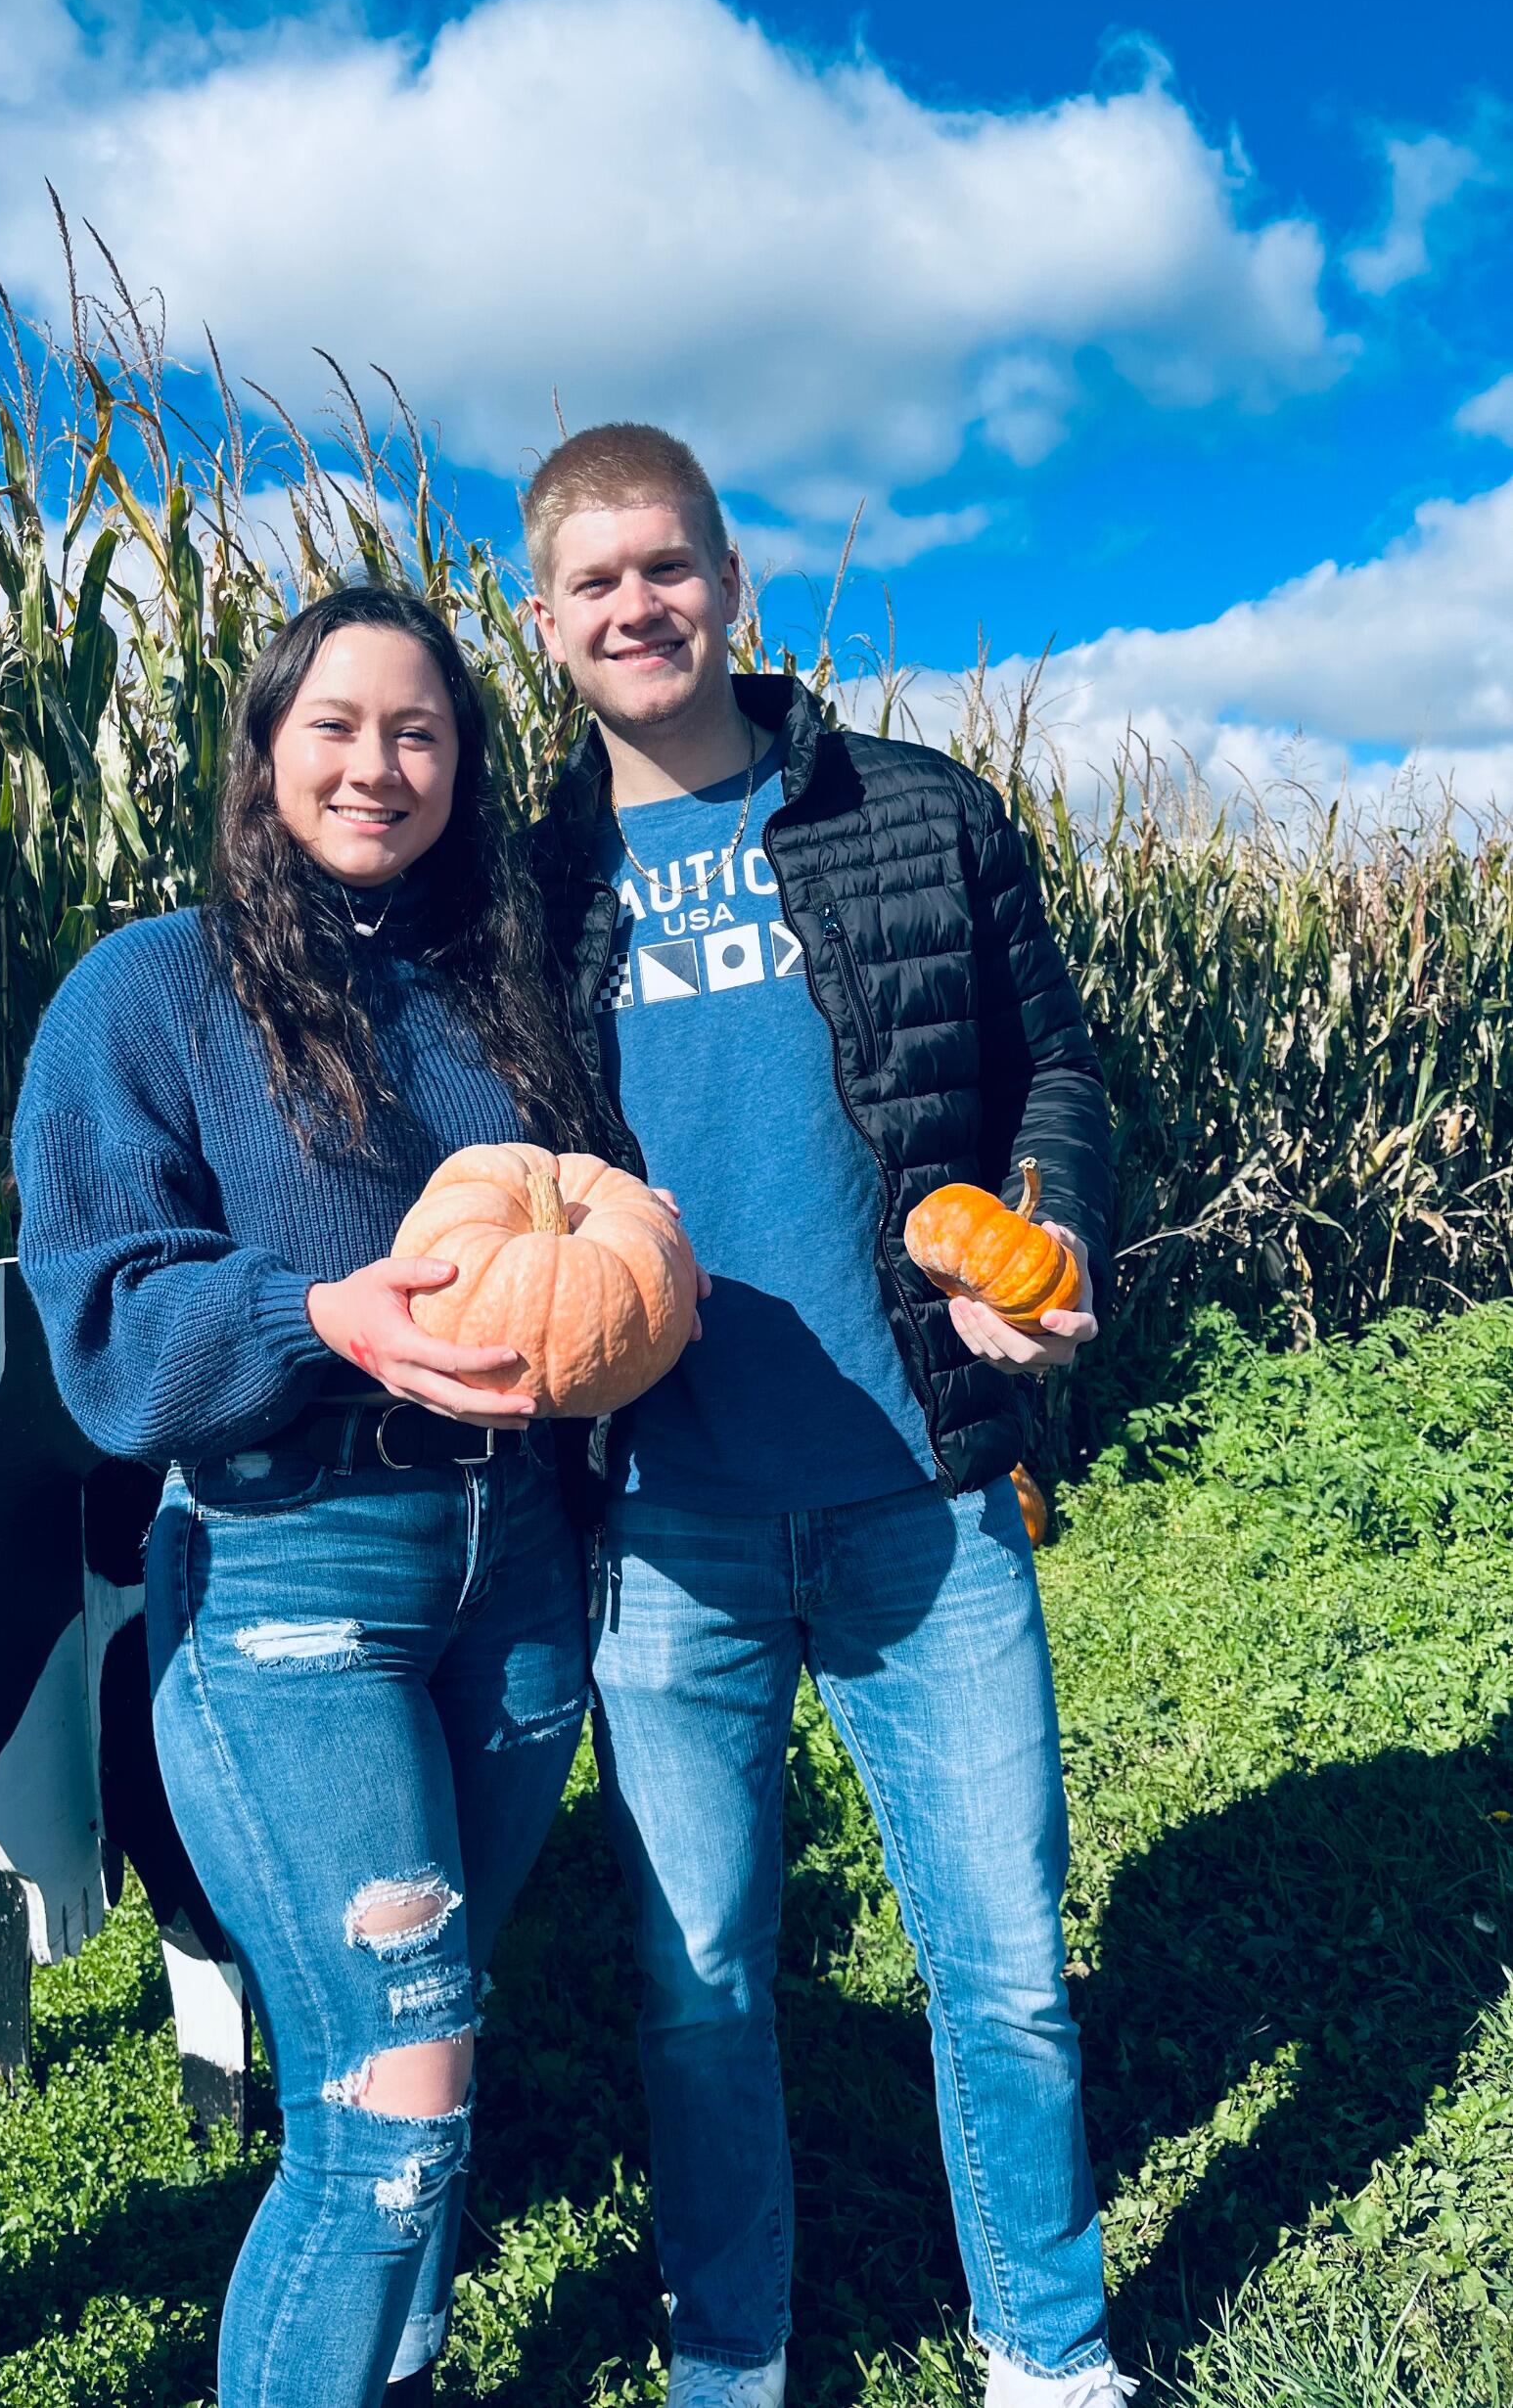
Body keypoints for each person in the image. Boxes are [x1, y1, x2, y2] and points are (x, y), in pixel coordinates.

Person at [525, 426, 1129, 2408]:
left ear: (729, 581)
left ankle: (1044, 2351)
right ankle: (733, 2355)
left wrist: (1046, 1233)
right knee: (698, 1995)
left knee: (1006, 1972)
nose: (636, 605)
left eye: (665, 565)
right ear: (543, 622)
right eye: (592, 579)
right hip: (665, 1529)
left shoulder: (910, 811)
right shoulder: (527, 890)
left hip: (920, 1496)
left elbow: (1054, 1062)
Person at [12, 585, 606, 2408]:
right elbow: (103, 1319)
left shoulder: (500, 992)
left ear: (465, 766)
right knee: (390, 2105)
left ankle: (394, 2377)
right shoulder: (151, 990)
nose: (378, 763)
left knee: (428, 2047)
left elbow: (597, 1246)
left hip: (517, 1572)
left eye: (420, 731)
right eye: (335, 724)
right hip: (292, 1569)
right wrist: (311, 1314)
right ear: (265, 750)